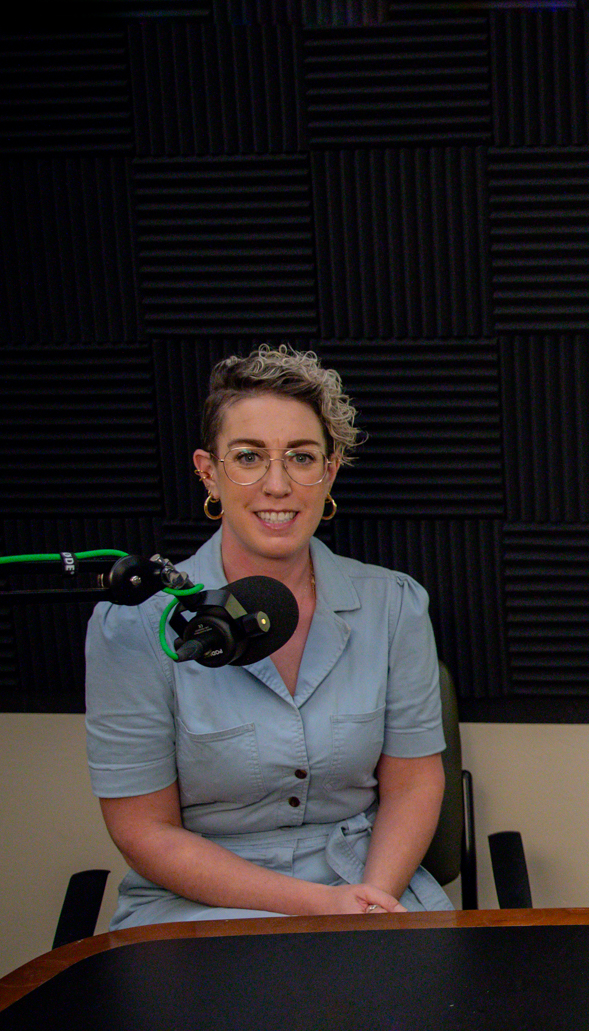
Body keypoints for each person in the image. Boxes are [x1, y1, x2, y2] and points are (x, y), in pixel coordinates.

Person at [85, 345, 454, 928]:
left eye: (302, 457)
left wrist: (368, 901)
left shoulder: (394, 606)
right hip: (201, 900)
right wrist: (317, 907)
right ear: (209, 471)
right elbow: (142, 830)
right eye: (249, 456)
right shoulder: (132, 626)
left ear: (329, 471)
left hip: (367, 883)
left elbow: (414, 784)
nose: (277, 484)